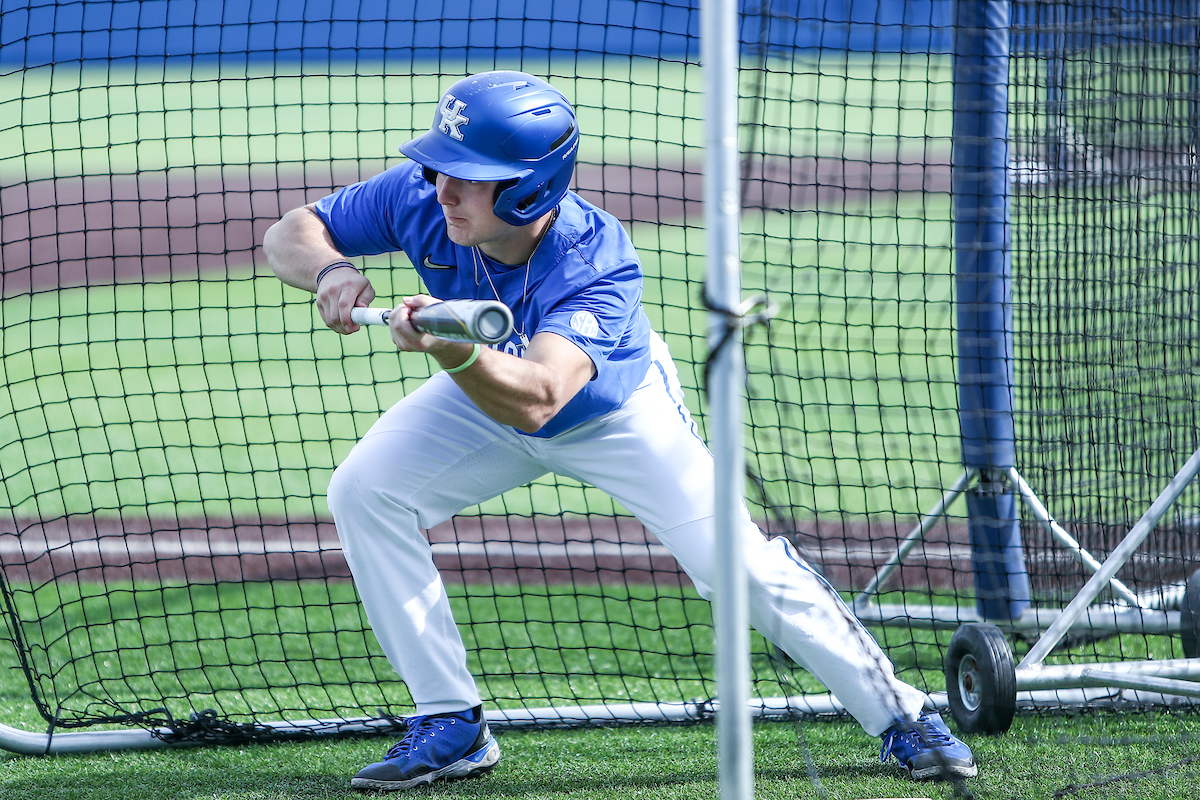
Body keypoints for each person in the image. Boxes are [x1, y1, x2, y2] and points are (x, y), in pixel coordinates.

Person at [263, 70, 976, 791]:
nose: (444, 189)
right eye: (442, 168)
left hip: (613, 413)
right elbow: (291, 229)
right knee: (366, 490)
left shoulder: (592, 256)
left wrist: (453, 350)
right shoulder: (423, 195)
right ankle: (451, 722)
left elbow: (540, 397)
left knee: (735, 564)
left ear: (529, 189)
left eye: (470, 178)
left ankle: (903, 715)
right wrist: (329, 269)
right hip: (484, 389)